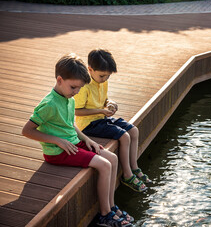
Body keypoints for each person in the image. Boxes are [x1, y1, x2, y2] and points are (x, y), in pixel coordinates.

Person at [22, 53, 134, 227]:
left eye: (79, 88)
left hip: (73, 143)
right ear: (59, 80)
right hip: (59, 151)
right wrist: (57, 141)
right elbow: (27, 131)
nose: (76, 92)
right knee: (104, 165)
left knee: (112, 158)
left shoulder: (69, 99)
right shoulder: (49, 104)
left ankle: (111, 206)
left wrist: (87, 139)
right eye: (73, 87)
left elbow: (70, 124)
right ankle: (104, 215)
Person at [74, 49, 152, 193]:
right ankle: (127, 175)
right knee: (124, 136)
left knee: (133, 130)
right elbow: (76, 110)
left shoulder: (102, 81)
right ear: (90, 69)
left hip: (102, 118)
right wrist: (101, 111)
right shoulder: (84, 85)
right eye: (102, 75)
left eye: (108, 76)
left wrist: (110, 103)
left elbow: (104, 100)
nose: (104, 79)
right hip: (88, 124)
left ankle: (134, 167)